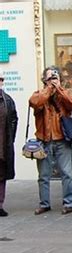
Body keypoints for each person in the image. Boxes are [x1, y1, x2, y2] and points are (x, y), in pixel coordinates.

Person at [29, 66, 72, 215]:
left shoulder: (64, 93)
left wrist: (59, 90)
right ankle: (44, 203)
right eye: (50, 77)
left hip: (62, 139)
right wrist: (49, 88)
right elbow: (36, 102)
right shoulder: (38, 94)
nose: (53, 80)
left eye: (55, 77)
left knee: (67, 173)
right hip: (44, 139)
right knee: (43, 175)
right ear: (44, 79)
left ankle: (69, 203)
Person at [0, 69, 18, 217]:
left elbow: (14, 119)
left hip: (3, 145)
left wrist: (10, 138)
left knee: (1, 176)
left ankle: (0, 204)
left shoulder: (7, 100)